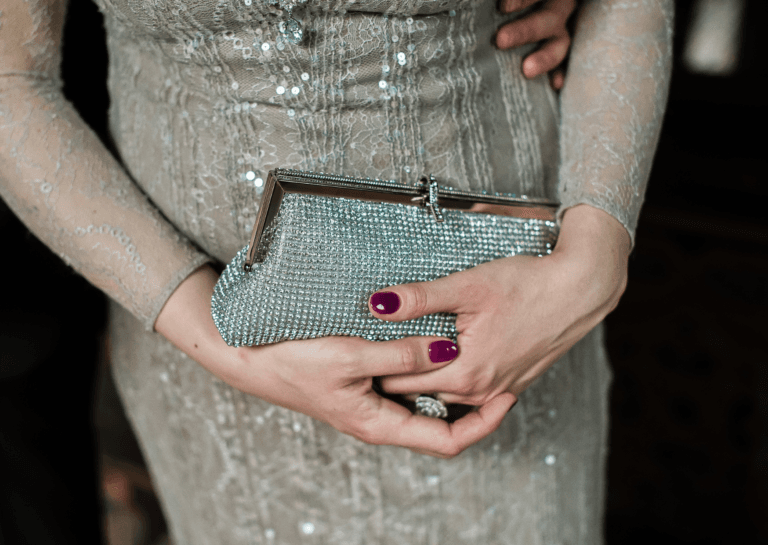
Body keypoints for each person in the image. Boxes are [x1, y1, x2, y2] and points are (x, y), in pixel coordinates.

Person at [0, 0, 672, 543]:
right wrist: (219, 339)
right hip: (206, 357)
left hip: (506, 339)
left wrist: (594, 261)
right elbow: (11, 81)